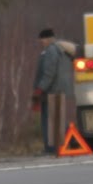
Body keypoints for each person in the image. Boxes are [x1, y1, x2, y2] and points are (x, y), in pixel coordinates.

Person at [32, 27, 77, 155]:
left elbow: (49, 73)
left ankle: (52, 148)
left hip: (52, 90)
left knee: (50, 120)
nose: (41, 42)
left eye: (42, 40)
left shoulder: (51, 51)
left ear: (46, 39)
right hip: (58, 89)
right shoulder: (60, 50)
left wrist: (40, 89)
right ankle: (61, 145)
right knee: (56, 119)